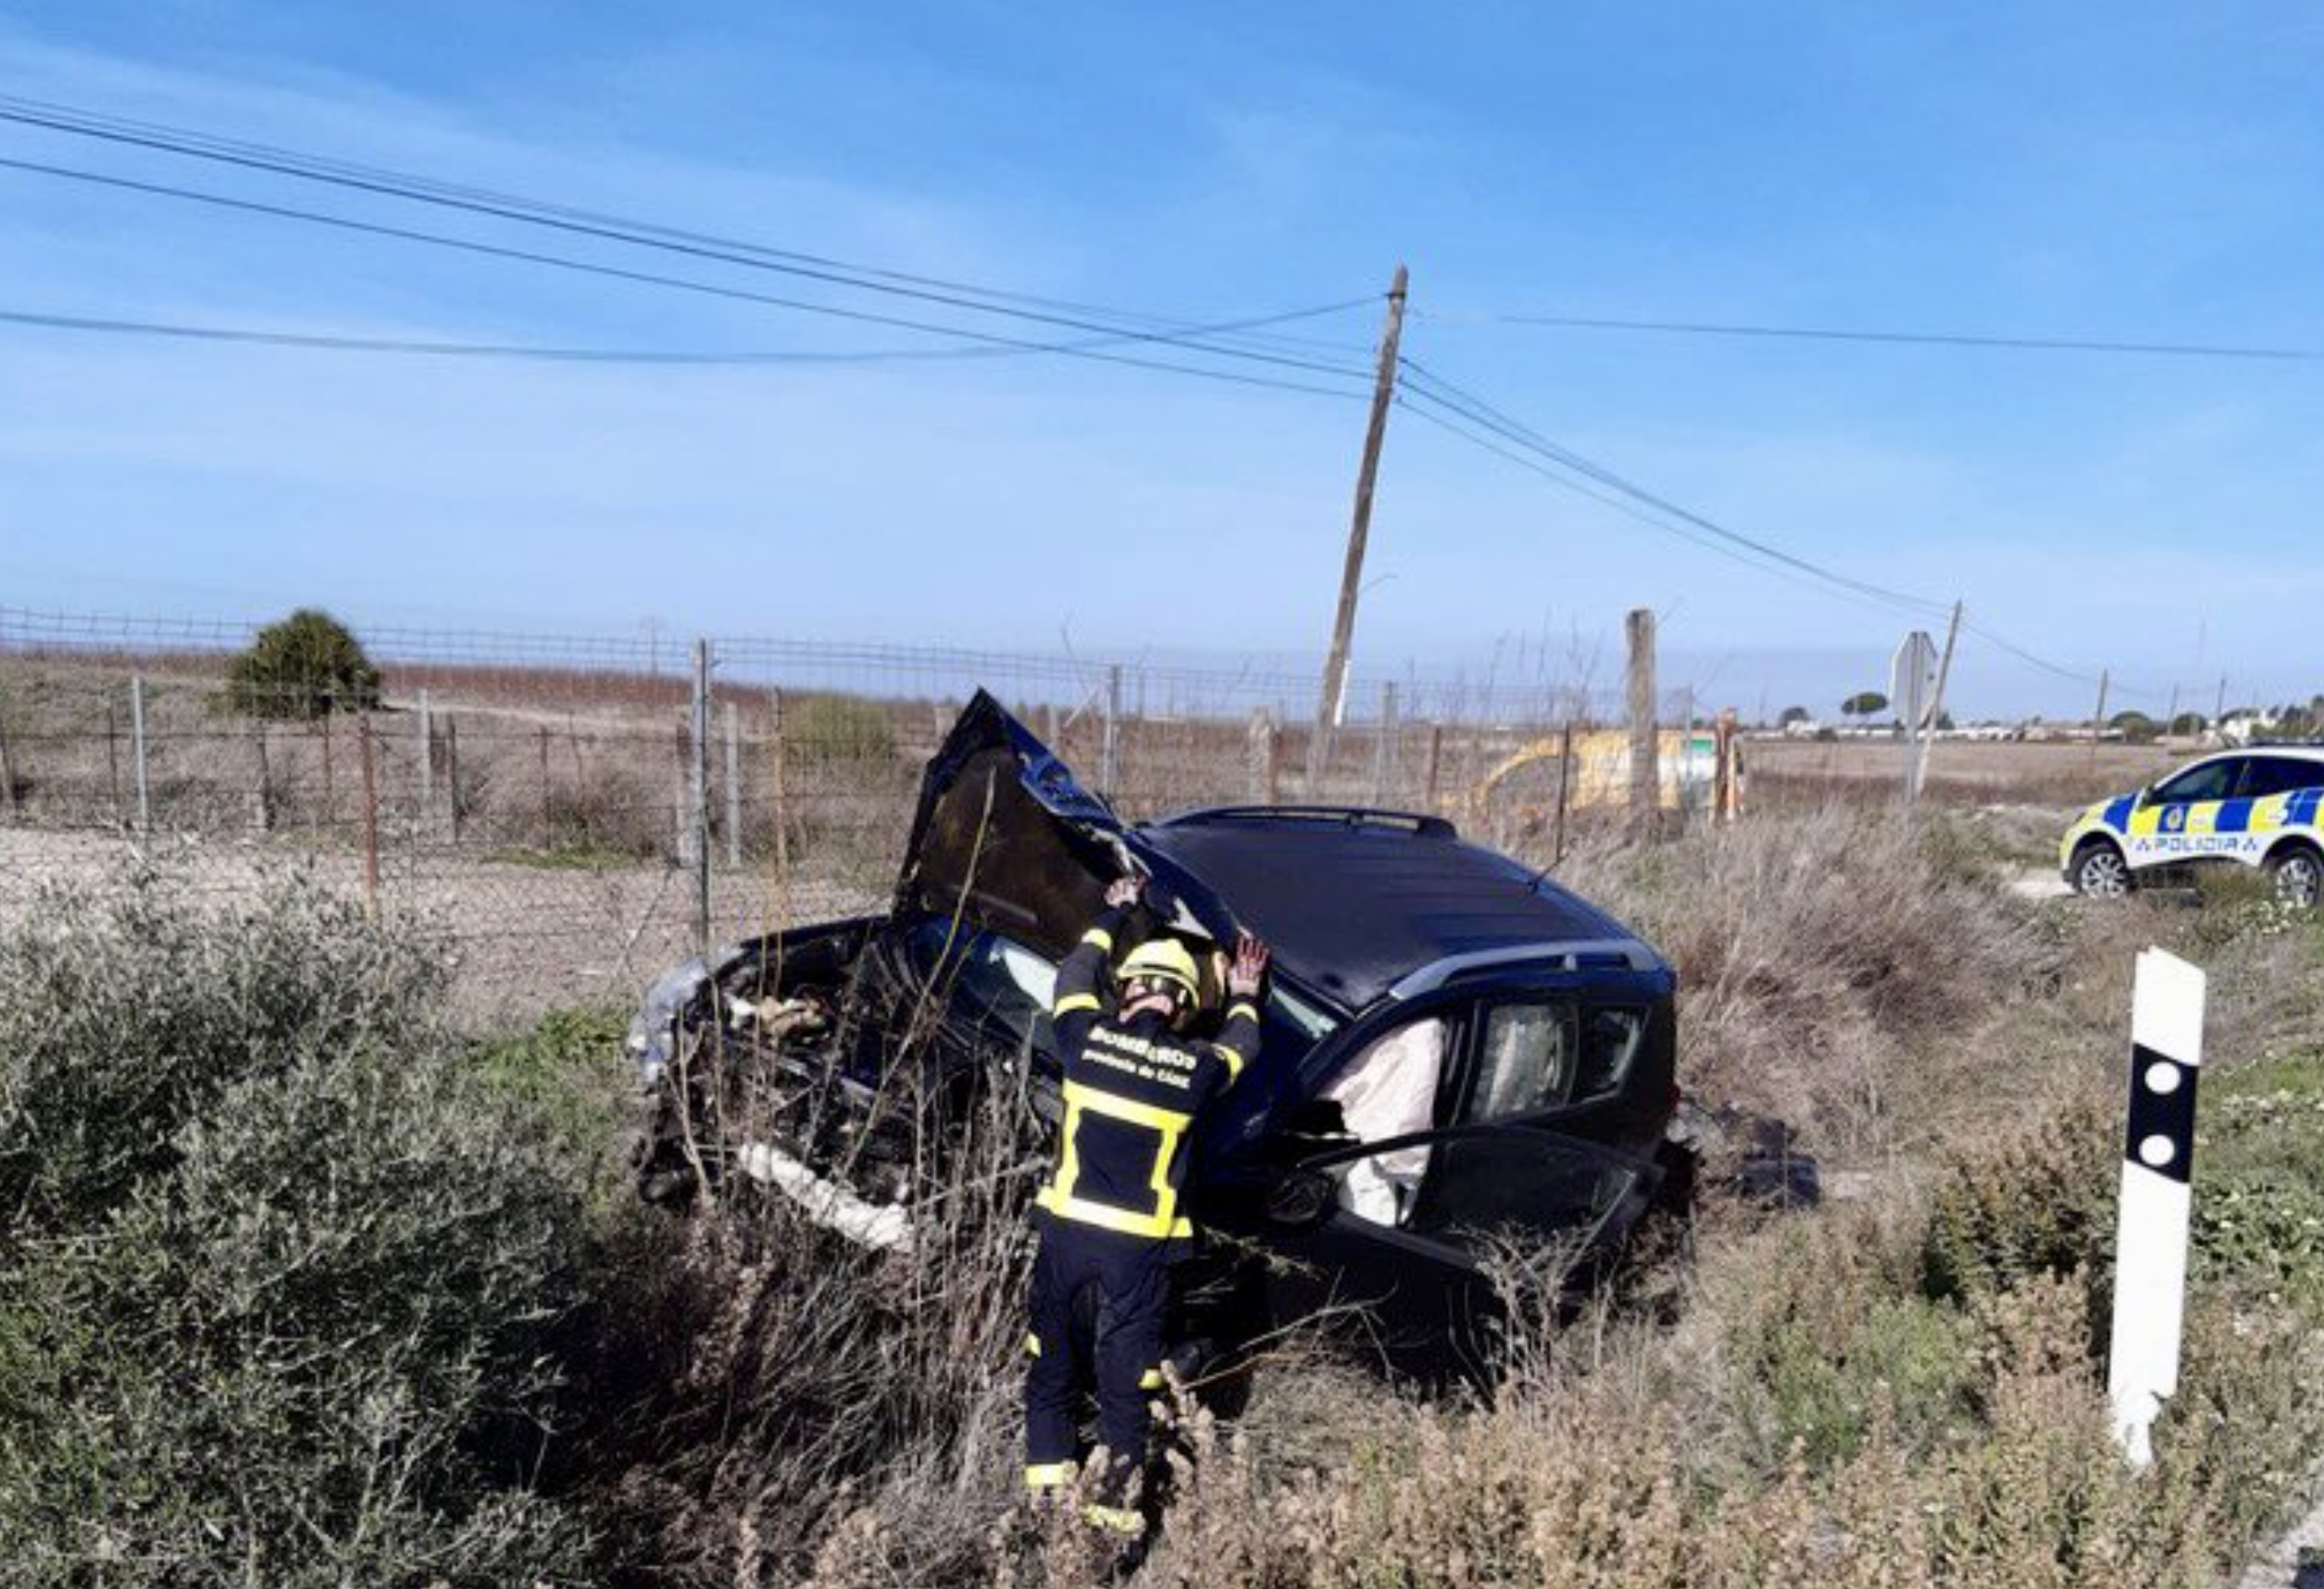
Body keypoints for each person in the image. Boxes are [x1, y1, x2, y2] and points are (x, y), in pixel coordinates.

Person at [1023, 871, 1268, 1544]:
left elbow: (1074, 975)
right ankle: (1107, 1539)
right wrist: (1246, 994)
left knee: (1051, 1368)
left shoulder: (1081, 1039)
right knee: (1126, 1388)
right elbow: (1242, 1049)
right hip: (1138, 1255)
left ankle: (1045, 1509)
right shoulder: (1194, 1071)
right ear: (1185, 1007)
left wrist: (1114, 915)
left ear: (1127, 989)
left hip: (1066, 1240)